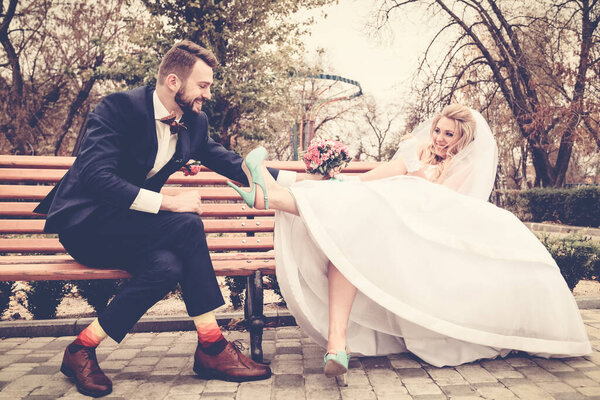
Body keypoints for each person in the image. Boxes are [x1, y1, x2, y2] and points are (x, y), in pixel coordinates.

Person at [227, 104, 591, 385]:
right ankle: (336, 347)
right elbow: (365, 184)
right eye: (438, 130)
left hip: (423, 237)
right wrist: (342, 179)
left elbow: (444, 208)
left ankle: (271, 194)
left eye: (450, 134)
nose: (440, 139)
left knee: (356, 226)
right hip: (385, 229)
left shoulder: (462, 169)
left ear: (463, 140)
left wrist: (416, 177)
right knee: (348, 233)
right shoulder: (413, 154)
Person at [33, 40, 299, 397]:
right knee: (187, 223)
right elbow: (95, 177)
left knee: (168, 267)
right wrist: (167, 203)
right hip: (87, 227)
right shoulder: (118, 108)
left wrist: (307, 181)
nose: (207, 94)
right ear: (174, 81)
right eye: (203, 86)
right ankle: (211, 345)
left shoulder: (193, 121)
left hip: (131, 229)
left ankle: (81, 347)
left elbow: (232, 163)